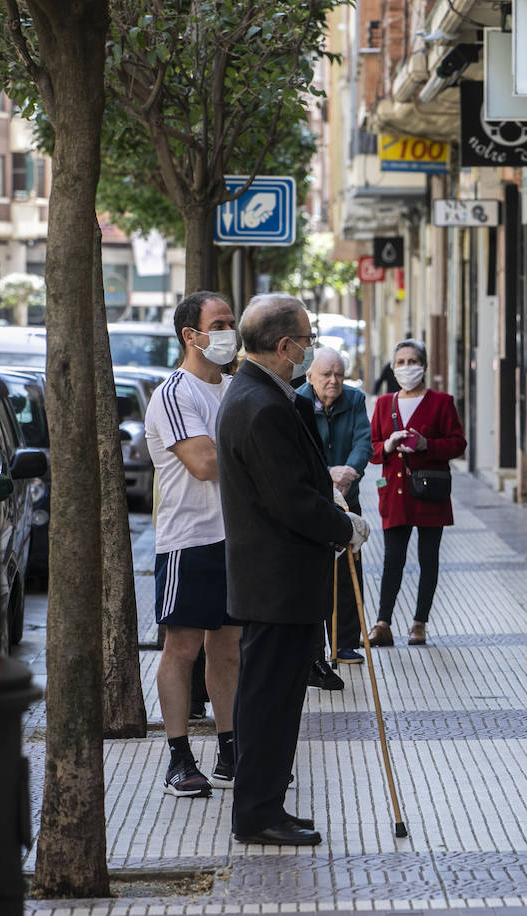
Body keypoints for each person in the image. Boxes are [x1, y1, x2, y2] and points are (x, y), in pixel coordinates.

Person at [216, 293, 369, 846]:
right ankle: (257, 813)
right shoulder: (260, 405)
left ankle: (268, 806)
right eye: (305, 339)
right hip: (275, 583)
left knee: (278, 702)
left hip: (281, 582)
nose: (308, 348)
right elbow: (288, 500)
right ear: (285, 347)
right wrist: (341, 526)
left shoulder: (270, 396)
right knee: (268, 702)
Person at [143, 291, 241, 797]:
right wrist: (257, 460)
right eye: (219, 323)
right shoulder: (175, 393)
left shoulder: (235, 387)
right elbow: (204, 464)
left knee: (227, 646)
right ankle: (179, 757)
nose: (229, 331)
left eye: (231, 321)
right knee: (181, 647)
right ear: (191, 335)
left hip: (235, 538)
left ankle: (230, 750)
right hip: (189, 540)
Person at [367, 339, 466, 647]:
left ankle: (419, 623)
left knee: (428, 559)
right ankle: (383, 622)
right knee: (392, 559)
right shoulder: (384, 404)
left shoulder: (442, 402)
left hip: (429, 491)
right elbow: (371, 449)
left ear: (424, 366)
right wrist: (389, 445)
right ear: (393, 367)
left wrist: (427, 445)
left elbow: (458, 444)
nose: (407, 367)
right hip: (395, 494)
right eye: (401, 362)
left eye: (412, 361)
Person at [297, 347, 370, 675]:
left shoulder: (354, 400)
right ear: (310, 375)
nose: (334, 381)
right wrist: (327, 474)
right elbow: (296, 449)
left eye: (339, 374)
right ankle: (313, 649)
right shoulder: (296, 401)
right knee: (313, 573)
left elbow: (363, 443)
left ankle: (345, 643)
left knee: (349, 569)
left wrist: (349, 471)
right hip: (313, 500)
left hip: (346, 498)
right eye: (326, 374)